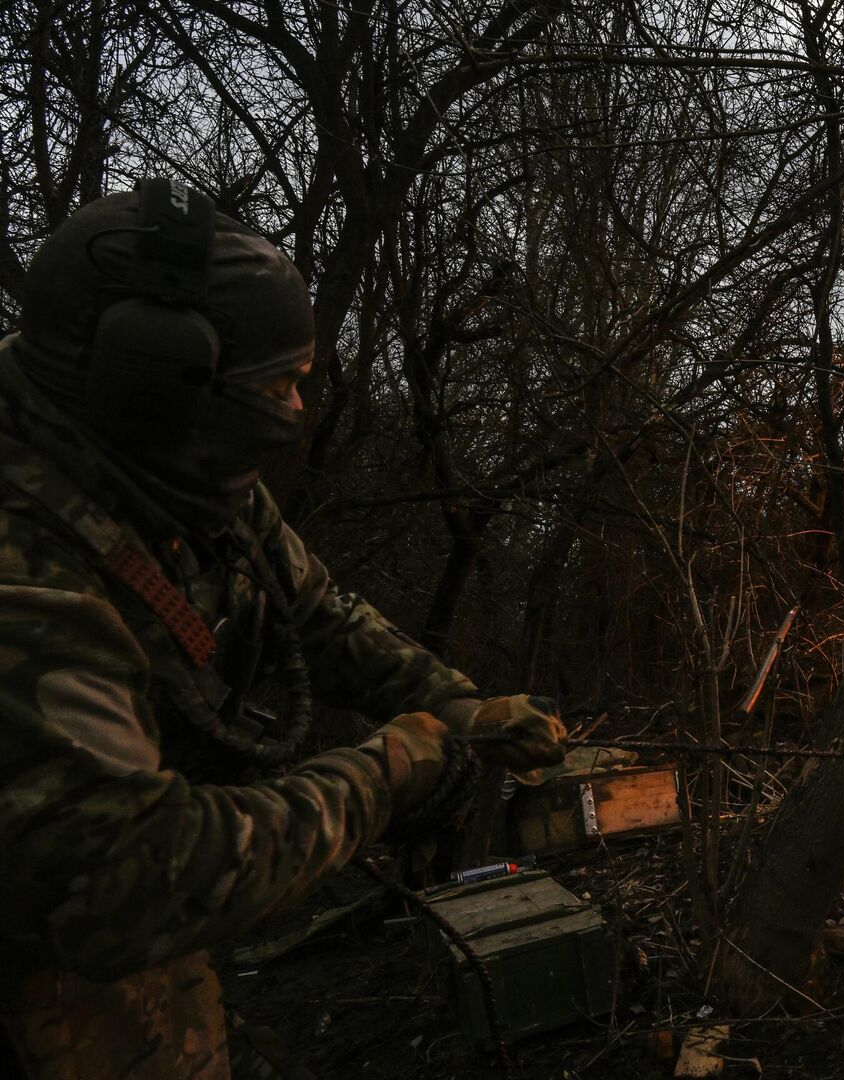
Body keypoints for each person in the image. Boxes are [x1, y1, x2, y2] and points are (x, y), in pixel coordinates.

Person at [0, 181, 568, 1079]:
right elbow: (130, 886)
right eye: (280, 388)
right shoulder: (25, 575)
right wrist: (386, 773)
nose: (297, 413)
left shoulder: (163, 461)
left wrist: (460, 709)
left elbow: (316, 611)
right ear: (157, 384)